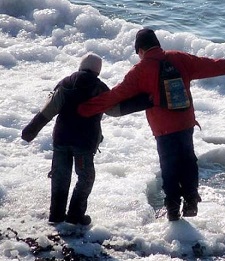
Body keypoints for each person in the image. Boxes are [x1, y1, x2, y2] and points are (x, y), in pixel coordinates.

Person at [78, 28, 225, 221]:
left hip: (163, 128)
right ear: (157, 44)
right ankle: (191, 200)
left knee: (169, 165)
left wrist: (85, 108)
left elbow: (115, 95)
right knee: (188, 159)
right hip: (185, 122)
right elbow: (209, 65)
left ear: (140, 50)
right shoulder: (179, 58)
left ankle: (172, 208)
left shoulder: (140, 70)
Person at [21, 53, 152, 225]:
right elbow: (114, 110)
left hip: (61, 140)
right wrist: (145, 101)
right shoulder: (99, 88)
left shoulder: (65, 84)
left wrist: (30, 131)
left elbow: (47, 111)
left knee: (60, 176)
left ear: (81, 66)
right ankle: (75, 215)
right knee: (86, 178)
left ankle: (56, 215)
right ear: (98, 71)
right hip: (84, 143)